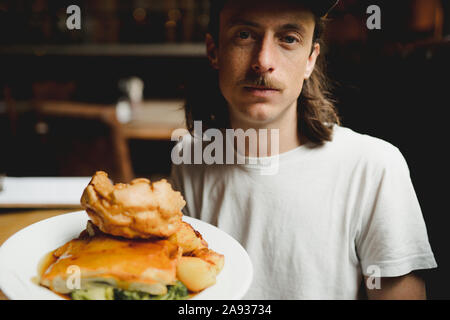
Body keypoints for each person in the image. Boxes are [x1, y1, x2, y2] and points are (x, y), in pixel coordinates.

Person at [170, 0, 437, 299]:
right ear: (214, 51)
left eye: (288, 38)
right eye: (244, 35)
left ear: (311, 59)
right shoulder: (191, 158)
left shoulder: (374, 166)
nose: (263, 60)